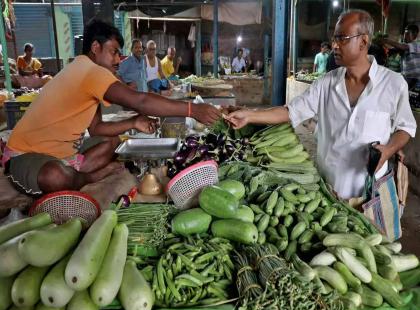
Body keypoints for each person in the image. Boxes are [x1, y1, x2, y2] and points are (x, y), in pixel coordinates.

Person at [2, 20, 221, 196]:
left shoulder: (84, 70)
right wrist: (192, 109)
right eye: (114, 52)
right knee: (54, 176)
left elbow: (96, 128)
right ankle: (87, 177)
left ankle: (74, 173)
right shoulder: (90, 71)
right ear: (95, 48)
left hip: (64, 153)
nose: (118, 59)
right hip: (26, 154)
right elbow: (140, 101)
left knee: (114, 140)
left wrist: (134, 122)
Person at [226, 10, 416, 201]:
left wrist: (389, 150)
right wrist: (250, 115)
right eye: (334, 38)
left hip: (372, 192)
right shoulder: (326, 83)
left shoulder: (393, 84)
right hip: (329, 190)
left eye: (342, 38)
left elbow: (405, 127)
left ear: (363, 41)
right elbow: (290, 111)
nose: (334, 45)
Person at [382, 24, 419, 89]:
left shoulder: (416, 45)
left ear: (415, 36)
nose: (404, 36)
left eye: (407, 34)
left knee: (393, 87)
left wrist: (387, 41)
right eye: (404, 34)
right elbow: (392, 50)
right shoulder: (404, 46)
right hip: (406, 75)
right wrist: (382, 45)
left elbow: (403, 47)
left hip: (414, 77)